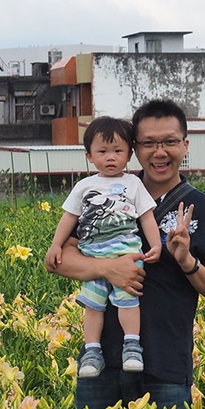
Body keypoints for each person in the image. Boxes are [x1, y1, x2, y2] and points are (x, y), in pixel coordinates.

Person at [46, 98, 205, 409]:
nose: (159, 152)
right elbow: (60, 260)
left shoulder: (204, 211)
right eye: (148, 143)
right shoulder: (107, 194)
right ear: (134, 149)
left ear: (185, 145)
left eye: (169, 142)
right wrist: (109, 269)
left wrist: (187, 261)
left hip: (166, 368)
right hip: (101, 362)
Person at [45, 117, 162, 378]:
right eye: (102, 151)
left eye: (118, 151)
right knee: (93, 306)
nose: (111, 158)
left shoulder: (134, 184)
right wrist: (55, 245)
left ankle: (132, 346)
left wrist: (156, 245)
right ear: (89, 156)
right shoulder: (84, 186)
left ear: (129, 155)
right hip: (94, 257)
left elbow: (146, 217)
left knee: (128, 301)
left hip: (126, 254)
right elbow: (68, 218)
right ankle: (92, 351)